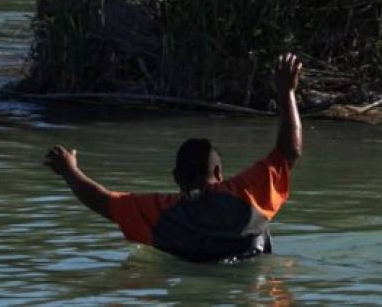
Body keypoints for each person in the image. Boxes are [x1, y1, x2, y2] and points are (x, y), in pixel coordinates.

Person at [44, 52, 303, 262]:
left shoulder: (162, 212)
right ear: (218, 174)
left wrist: (69, 170)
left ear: (177, 178)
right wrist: (286, 92)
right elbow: (288, 152)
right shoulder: (246, 194)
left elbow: (102, 201)